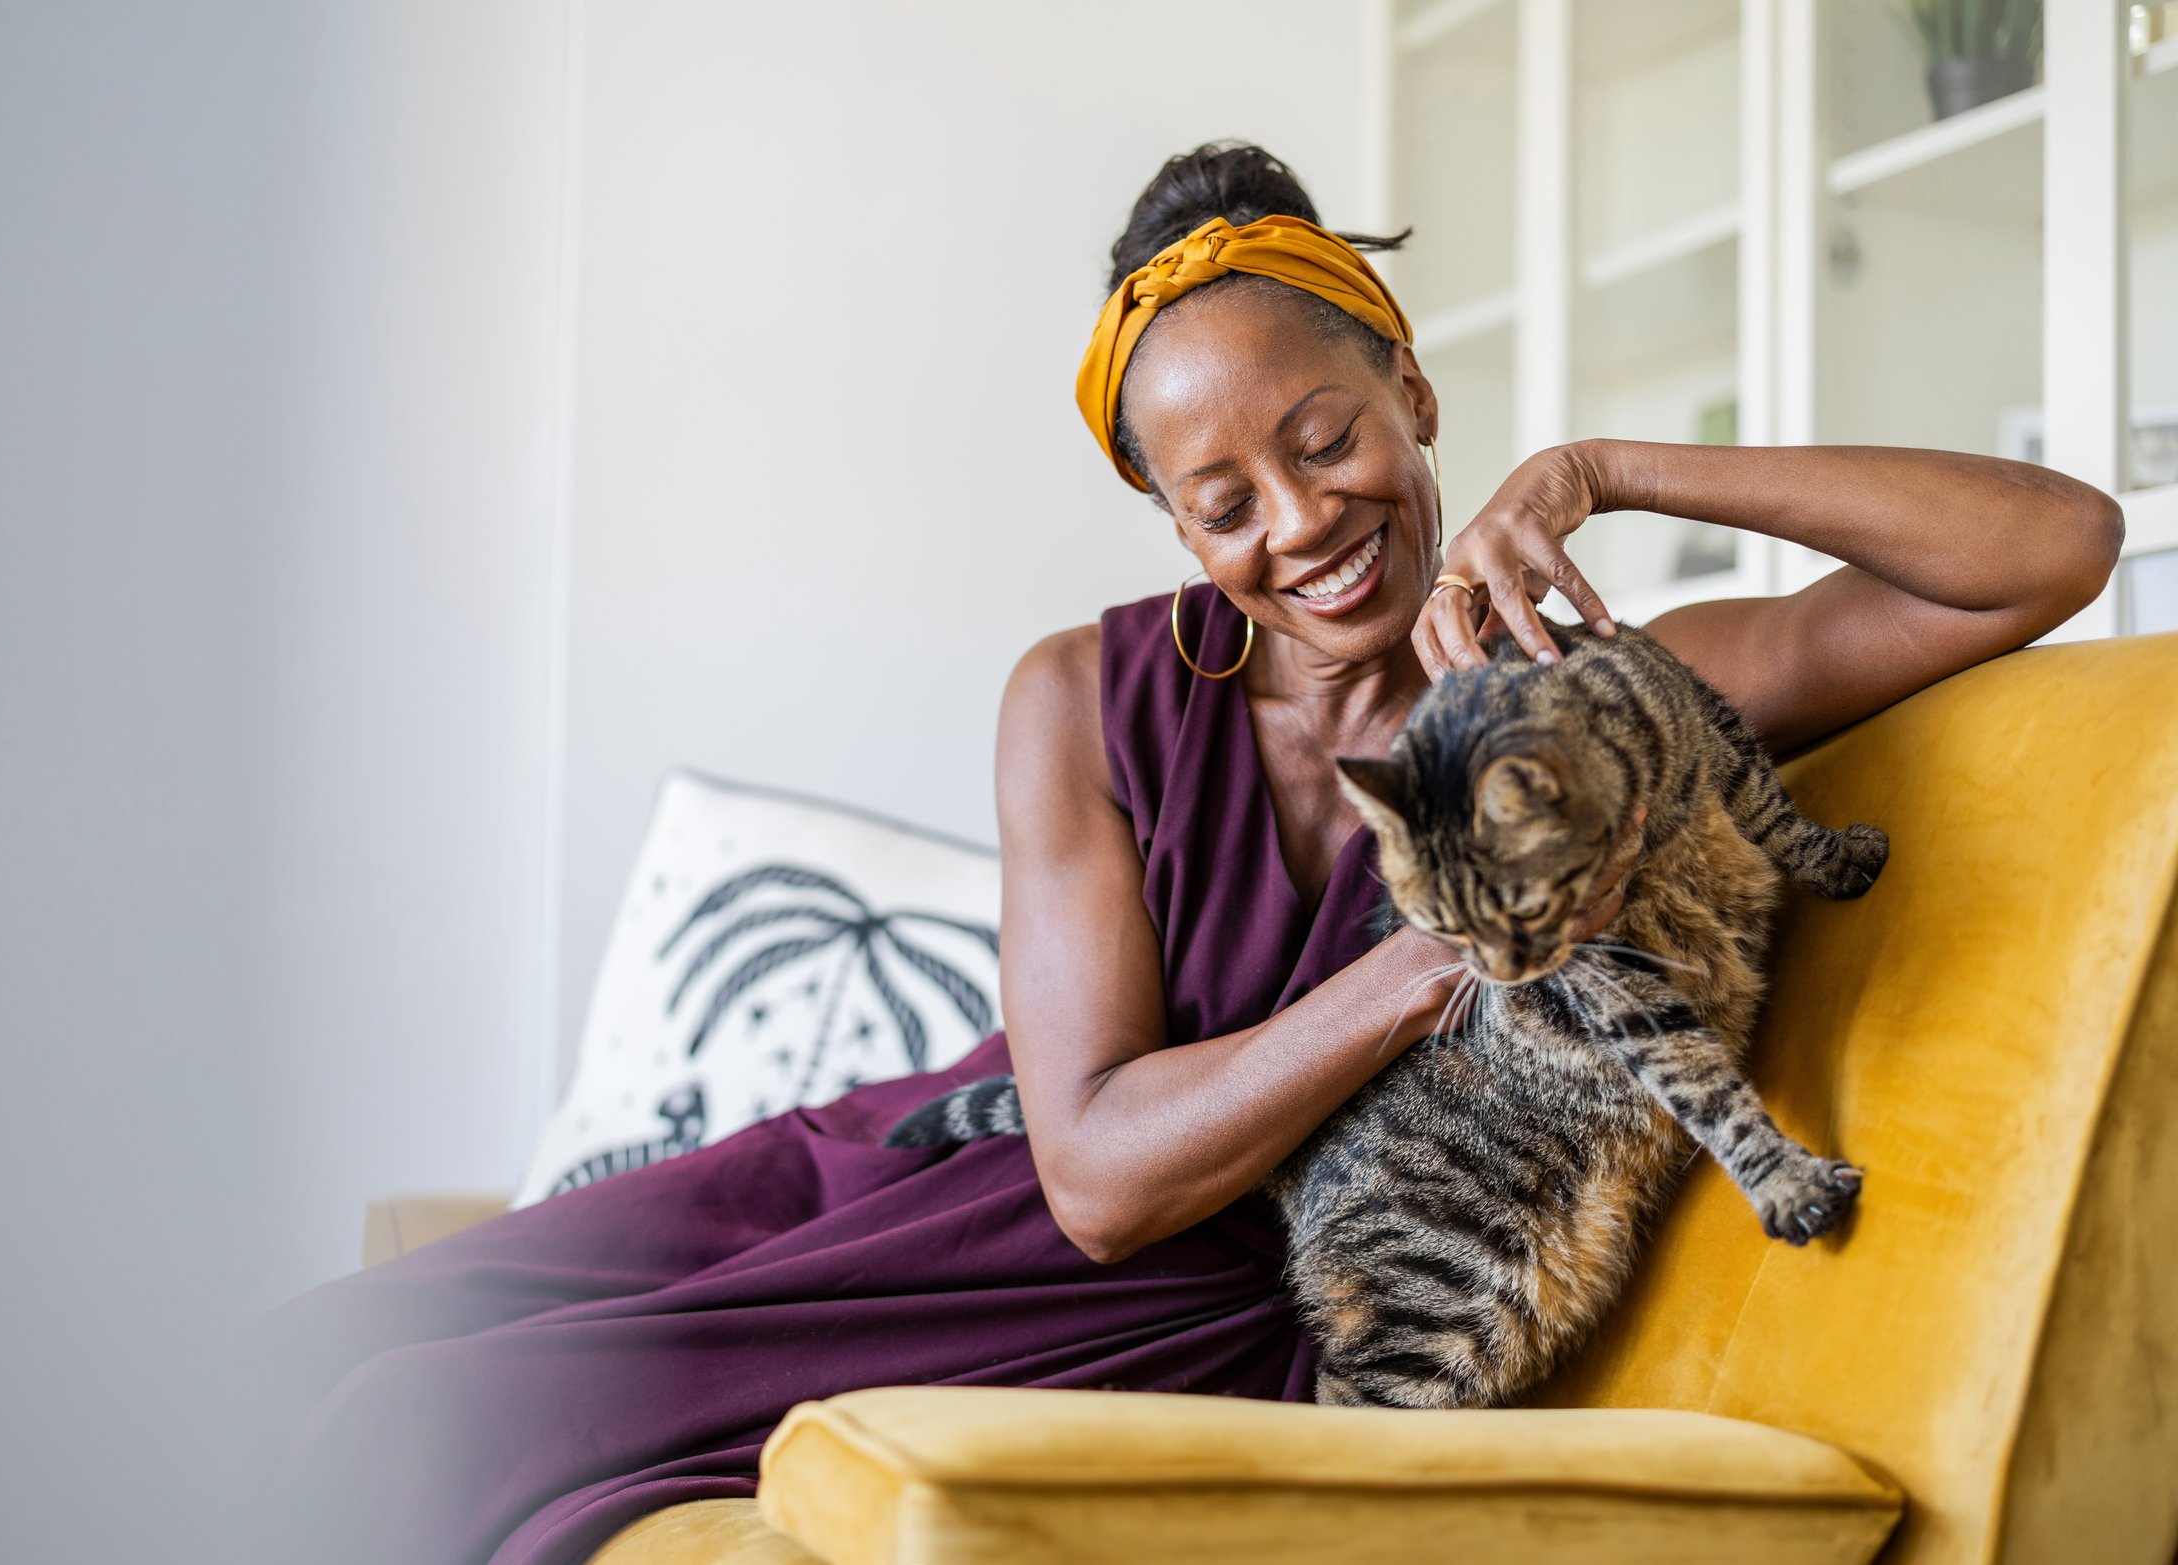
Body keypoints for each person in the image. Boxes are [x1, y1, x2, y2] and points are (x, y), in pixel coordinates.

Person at [252, 142, 2121, 1565]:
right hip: (958, 1182)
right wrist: (1448, 956)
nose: (1306, 522)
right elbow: (1091, 1165)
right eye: (1224, 499)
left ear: (1415, 394)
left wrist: (1616, 469)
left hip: (1211, 1306)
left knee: (433, 1418)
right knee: (356, 1346)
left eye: (1330, 436)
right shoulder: (1078, 697)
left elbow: (2050, 546)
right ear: (1169, 516)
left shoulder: (1590, 685)